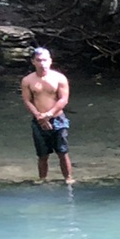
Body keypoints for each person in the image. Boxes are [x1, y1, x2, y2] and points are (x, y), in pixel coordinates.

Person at [21, 47, 73, 182]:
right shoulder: (28, 80)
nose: (42, 63)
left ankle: (68, 178)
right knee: (42, 154)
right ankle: (42, 179)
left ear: (50, 61)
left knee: (62, 151)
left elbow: (63, 99)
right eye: (39, 60)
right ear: (33, 62)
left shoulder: (59, 78)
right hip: (38, 120)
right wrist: (39, 116)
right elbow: (27, 100)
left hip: (57, 119)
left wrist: (49, 114)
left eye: (45, 60)